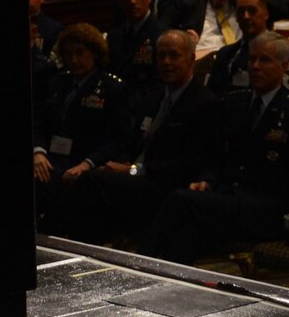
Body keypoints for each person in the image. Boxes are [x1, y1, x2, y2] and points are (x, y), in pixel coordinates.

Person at [139, 33, 289, 266]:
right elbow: (215, 157)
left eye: (265, 61)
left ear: (284, 66)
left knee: (180, 200)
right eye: (252, 60)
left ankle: (138, 266)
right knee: (187, 230)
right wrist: (206, 180)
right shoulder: (234, 104)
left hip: (266, 210)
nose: (255, 67)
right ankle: (166, 287)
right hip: (229, 199)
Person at [93, 29, 219, 241]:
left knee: (94, 181)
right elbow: (133, 142)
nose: (167, 62)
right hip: (135, 175)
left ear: (191, 59)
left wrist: (133, 170)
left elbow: (192, 162)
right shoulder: (153, 98)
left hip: (165, 183)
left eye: (174, 55)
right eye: (161, 56)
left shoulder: (204, 104)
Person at [31, 23, 135, 239]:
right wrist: (38, 151)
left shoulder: (111, 88)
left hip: (85, 162)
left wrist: (87, 163)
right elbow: (40, 124)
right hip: (50, 158)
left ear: (95, 53)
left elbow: (118, 139)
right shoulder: (58, 83)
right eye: (69, 54)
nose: (74, 60)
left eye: (80, 53)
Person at [106, 0, 165, 88]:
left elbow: (161, 83)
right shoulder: (113, 37)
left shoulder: (162, 35)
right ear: (119, 0)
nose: (132, 1)